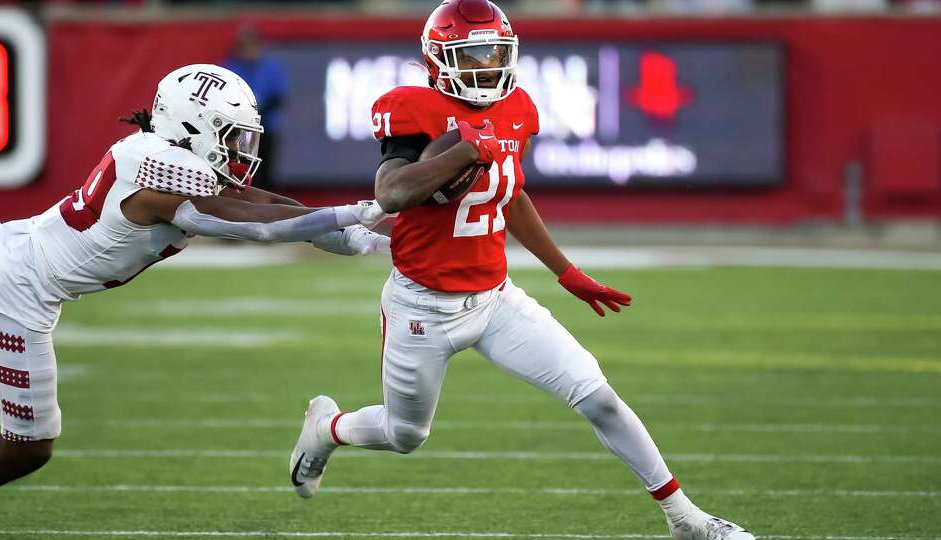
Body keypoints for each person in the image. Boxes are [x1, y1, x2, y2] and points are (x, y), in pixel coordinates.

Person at [287, 2, 755, 539]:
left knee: (598, 396)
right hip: (422, 306)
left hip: (495, 300)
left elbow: (508, 194)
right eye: (472, 55)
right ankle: (328, 429)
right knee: (405, 434)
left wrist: (565, 270)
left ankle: (686, 519)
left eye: (493, 53)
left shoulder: (517, 108)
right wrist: (465, 148)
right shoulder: (412, 109)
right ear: (439, 59)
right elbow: (392, 192)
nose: (486, 66)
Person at [0, 63, 390, 494]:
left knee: (1, 398)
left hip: (9, 249)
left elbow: (265, 202)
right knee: (29, 445)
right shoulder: (161, 184)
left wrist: (357, 235)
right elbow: (260, 224)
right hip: (17, 288)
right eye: (231, 135)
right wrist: (355, 213)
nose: (239, 148)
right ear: (193, 127)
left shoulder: (160, 158)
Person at [223, 24, 289, 192]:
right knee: (242, 169)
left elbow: (280, 96)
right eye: (244, 46)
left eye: (252, 45)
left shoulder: (270, 67)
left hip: (266, 128)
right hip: (239, 130)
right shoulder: (230, 68)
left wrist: (258, 111)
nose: (249, 50)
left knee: (267, 172)